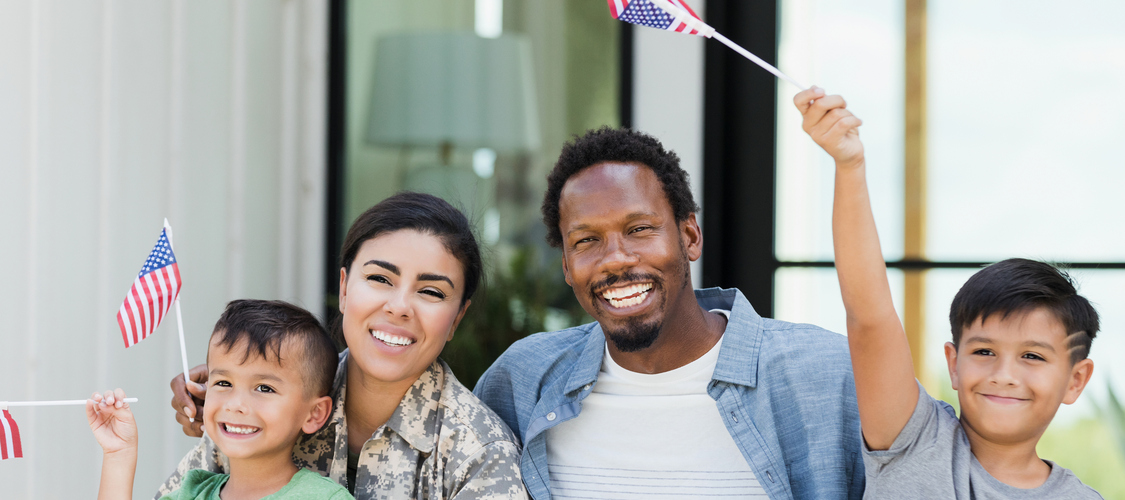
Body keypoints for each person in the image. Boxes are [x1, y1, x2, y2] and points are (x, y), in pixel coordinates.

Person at [473, 127, 864, 499]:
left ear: (690, 237)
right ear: (566, 267)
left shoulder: (825, 374)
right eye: (587, 240)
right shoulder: (522, 381)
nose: (615, 259)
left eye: (640, 229)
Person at [795, 86, 1102, 498]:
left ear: (1075, 380)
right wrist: (850, 166)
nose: (1004, 375)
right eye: (984, 352)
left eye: (1031, 356)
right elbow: (870, 318)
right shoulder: (916, 441)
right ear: (953, 364)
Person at [165, 192, 528, 499]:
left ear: (457, 318)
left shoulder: (479, 455)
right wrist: (230, 388)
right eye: (379, 278)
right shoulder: (264, 407)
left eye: (431, 291)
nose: (399, 307)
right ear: (343, 288)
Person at [88, 299, 352, 499]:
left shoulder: (324, 498)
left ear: (314, 414)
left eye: (264, 388)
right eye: (223, 383)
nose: (235, 404)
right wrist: (118, 455)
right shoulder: (191, 492)